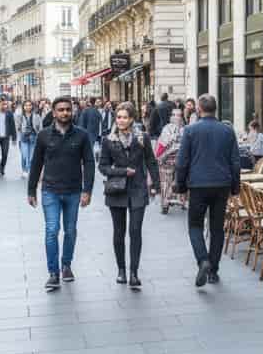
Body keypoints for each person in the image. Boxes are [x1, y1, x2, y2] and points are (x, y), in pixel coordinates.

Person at [27, 96, 95, 292]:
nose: (65, 113)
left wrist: (87, 190)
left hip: (74, 191)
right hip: (50, 191)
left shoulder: (81, 135)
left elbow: (89, 163)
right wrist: (31, 190)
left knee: (71, 230)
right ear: (54, 112)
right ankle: (53, 273)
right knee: (51, 230)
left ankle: (66, 265)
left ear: (72, 111)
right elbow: (36, 164)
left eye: (68, 109)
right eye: (61, 110)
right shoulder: (44, 136)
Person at [174, 94, 241, 287]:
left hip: (198, 185)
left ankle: (203, 260)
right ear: (216, 109)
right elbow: (235, 162)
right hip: (221, 185)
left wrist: (181, 186)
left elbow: (181, 162)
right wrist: (235, 187)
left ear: (199, 110)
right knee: (217, 228)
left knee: (195, 225)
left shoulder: (190, 130)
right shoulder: (228, 131)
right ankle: (213, 270)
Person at [99, 101, 159, 289]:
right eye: (118, 117)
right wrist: (122, 171)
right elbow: (103, 167)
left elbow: (151, 161)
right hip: (117, 190)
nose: (121, 120)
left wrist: (156, 184)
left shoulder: (142, 137)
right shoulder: (108, 140)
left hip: (138, 189)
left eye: (125, 117)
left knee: (135, 231)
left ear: (132, 119)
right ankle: (121, 270)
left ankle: (134, 272)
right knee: (119, 232)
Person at [157, 108, 187, 214]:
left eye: (178, 115)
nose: (176, 117)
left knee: (177, 181)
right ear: (171, 117)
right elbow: (162, 145)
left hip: (177, 160)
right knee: (166, 182)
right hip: (169, 160)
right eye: (174, 115)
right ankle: (166, 204)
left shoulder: (184, 129)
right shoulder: (168, 129)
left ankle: (180, 201)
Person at [17, 100, 40, 179]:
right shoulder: (20, 116)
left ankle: (29, 170)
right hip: (23, 138)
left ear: (32, 106)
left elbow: (40, 127)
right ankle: (24, 170)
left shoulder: (36, 116)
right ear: (23, 107)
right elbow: (18, 127)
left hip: (33, 137)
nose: (28, 107)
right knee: (24, 155)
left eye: (29, 105)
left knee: (32, 156)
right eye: (26, 105)